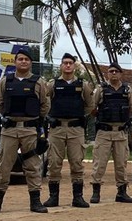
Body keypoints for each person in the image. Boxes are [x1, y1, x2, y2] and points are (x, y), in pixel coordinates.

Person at [0, 48, 49, 213]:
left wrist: (35, 121)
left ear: (30, 62)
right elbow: (0, 103)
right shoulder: (6, 81)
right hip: (9, 130)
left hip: (30, 129)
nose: (23, 61)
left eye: (26, 59)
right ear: (15, 62)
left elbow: (45, 105)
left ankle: (35, 202)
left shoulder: (39, 82)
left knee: (32, 165)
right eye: (20, 59)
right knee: (4, 166)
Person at [43, 53, 94, 208]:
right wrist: (49, 116)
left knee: (77, 163)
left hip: (75, 129)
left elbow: (90, 105)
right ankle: (53, 197)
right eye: (65, 63)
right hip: (57, 128)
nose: (67, 65)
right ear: (61, 66)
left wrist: (79, 115)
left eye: (70, 63)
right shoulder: (52, 84)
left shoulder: (82, 85)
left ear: (74, 66)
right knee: (54, 163)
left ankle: (78, 197)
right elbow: (45, 102)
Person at [90, 62, 132, 204]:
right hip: (104, 132)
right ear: (107, 74)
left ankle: (121, 192)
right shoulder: (101, 89)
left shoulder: (127, 90)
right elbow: (92, 108)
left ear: (120, 73)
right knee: (99, 163)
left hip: (121, 132)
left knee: (121, 164)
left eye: (116, 71)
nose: (114, 73)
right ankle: (96, 192)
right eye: (111, 71)